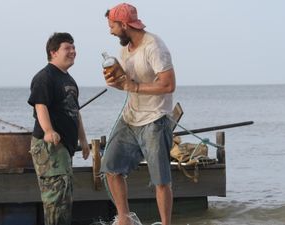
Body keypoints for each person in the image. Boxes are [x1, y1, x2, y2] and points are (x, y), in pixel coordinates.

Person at [100, 3, 176, 225]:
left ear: (124, 24)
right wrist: (117, 82)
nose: (110, 31)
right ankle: (125, 219)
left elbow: (168, 84)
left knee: (161, 181)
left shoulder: (155, 46)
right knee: (110, 168)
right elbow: (126, 82)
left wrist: (134, 87)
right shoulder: (124, 49)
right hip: (130, 117)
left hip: (155, 119)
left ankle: (166, 224)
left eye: (112, 26)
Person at [27, 32, 90, 225]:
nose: (73, 51)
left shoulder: (69, 80)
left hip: (64, 148)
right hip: (49, 147)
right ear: (53, 52)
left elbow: (74, 112)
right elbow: (40, 105)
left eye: (73, 47)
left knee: (64, 197)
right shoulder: (45, 77)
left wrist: (84, 141)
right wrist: (48, 131)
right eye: (67, 48)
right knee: (55, 199)